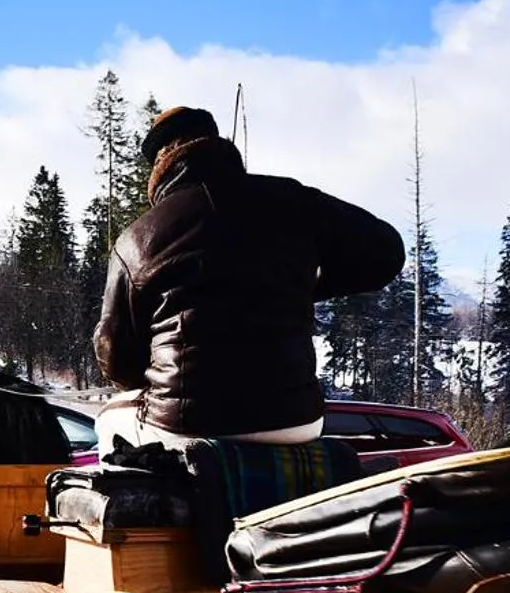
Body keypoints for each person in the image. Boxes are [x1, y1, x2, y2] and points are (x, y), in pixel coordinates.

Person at [93, 105, 404, 453]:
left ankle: (135, 503)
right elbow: (387, 252)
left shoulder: (136, 239)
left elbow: (114, 352)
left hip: (184, 425)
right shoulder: (293, 201)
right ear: (216, 143)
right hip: (294, 420)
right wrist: (303, 283)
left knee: (107, 420)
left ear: (160, 165)